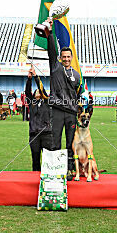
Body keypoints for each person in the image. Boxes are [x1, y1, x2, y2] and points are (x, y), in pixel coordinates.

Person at [46, 17, 81, 180]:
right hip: (58, 111)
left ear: (71, 58)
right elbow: (51, 50)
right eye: (64, 57)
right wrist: (50, 32)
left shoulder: (76, 75)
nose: (66, 59)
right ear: (60, 58)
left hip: (71, 113)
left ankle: (69, 169)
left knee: (70, 143)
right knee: (55, 142)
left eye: (68, 57)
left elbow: (76, 95)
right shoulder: (55, 66)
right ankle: (54, 169)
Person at [26, 66, 53, 171]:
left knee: (48, 160)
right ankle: (35, 179)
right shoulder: (31, 103)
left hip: (46, 134)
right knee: (35, 160)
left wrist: (36, 76)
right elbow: (27, 91)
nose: (37, 91)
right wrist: (29, 79)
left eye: (39, 91)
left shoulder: (46, 102)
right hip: (34, 135)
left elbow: (41, 88)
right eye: (36, 91)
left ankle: (49, 180)